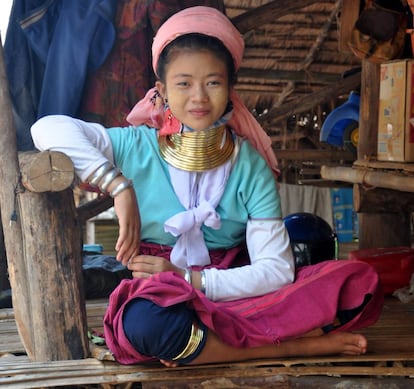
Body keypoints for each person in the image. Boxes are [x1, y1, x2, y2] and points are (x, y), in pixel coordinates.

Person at [31, 6, 384, 367]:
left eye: (213, 82)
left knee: (358, 282)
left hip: (234, 290)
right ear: (161, 91)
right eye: (183, 83)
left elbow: (276, 271)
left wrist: (192, 280)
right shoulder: (134, 147)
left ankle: (198, 347)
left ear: (230, 89)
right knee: (145, 322)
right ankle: (295, 345)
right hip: (161, 294)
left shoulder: (250, 166)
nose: (198, 96)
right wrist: (118, 186)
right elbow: (46, 127)